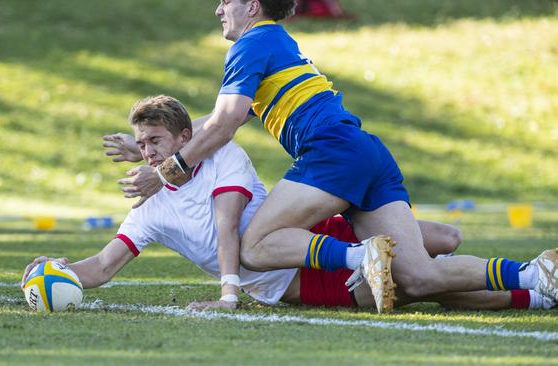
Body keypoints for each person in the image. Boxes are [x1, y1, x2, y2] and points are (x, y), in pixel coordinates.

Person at [115, 0, 558, 313]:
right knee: (419, 277)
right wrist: (151, 149)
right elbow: (216, 123)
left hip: (332, 154)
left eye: (226, 0)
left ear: (252, 5)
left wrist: (168, 172)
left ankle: (360, 254)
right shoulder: (276, 42)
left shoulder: (249, 44)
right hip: (365, 153)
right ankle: (536, 276)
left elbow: (224, 123)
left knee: (256, 246)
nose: (218, 9)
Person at [23, 95, 553, 313]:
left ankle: (533, 282)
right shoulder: (148, 212)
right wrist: (59, 270)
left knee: (441, 244)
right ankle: (534, 286)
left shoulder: (222, 157)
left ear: (187, 137)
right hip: (299, 278)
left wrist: (228, 294)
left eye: (156, 141)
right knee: (412, 283)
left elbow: (229, 230)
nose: (147, 153)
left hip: (316, 234)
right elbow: (103, 267)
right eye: (142, 146)